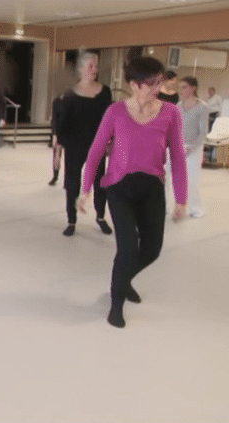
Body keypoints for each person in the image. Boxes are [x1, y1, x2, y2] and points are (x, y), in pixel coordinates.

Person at [77, 56, 187, 329]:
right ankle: (116, 303)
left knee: (152, 248)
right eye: (150, 83)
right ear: (134, 85)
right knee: (127, 247)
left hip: (151, 187)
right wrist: (86, 189)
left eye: (158, 82)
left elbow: (178, 157)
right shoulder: (115, 112)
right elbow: (96, 151)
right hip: (119, 187)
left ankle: (123, 280)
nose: (155, 88)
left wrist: (182, 198)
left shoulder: (171, 113)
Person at [56, 50, 113, 237]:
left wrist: (112, 139)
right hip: (74, 145)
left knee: (100, 183)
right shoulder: (70, 93)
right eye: (90, 66)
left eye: (96, 66)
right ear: (80, 69)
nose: (95, 69)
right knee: (72, 183)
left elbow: (109, 118)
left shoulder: (104, 91)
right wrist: (60, 143)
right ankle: (71, 220)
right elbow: (62, 120)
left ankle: (100, 217)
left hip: (97, 145)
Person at [177, 76, 209, 218]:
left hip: (193, 148)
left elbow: (203, 133)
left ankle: (197, 209)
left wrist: (191, 149)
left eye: (184, 87)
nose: (181, 90)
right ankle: (163, 206)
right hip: (177, 146)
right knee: (165, 177)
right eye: (180, 87)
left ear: (193, 88)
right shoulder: (178, 106)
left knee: (192, 180)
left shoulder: (202, 107)